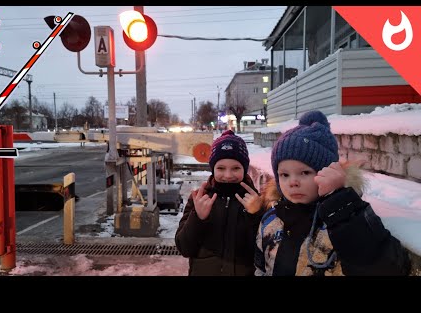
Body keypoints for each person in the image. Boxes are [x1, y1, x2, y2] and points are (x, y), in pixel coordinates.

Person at [255, 110, 412, 276]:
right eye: (284, 175)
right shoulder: (272, 218)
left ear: (328, 172)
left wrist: (341, 204)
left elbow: (386, 267)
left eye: (305, 173)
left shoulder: (343, 218)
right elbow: (260, 267)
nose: (293, 182)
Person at [175, 130, 265, 276]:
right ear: (212, 168)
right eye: (221, 168)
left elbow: (263, 252)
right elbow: (184, 248)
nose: (228, 175)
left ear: (245, 168)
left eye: (236, 168)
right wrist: (198, 218)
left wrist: (256, 215)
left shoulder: (256, 202)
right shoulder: (200, 199)